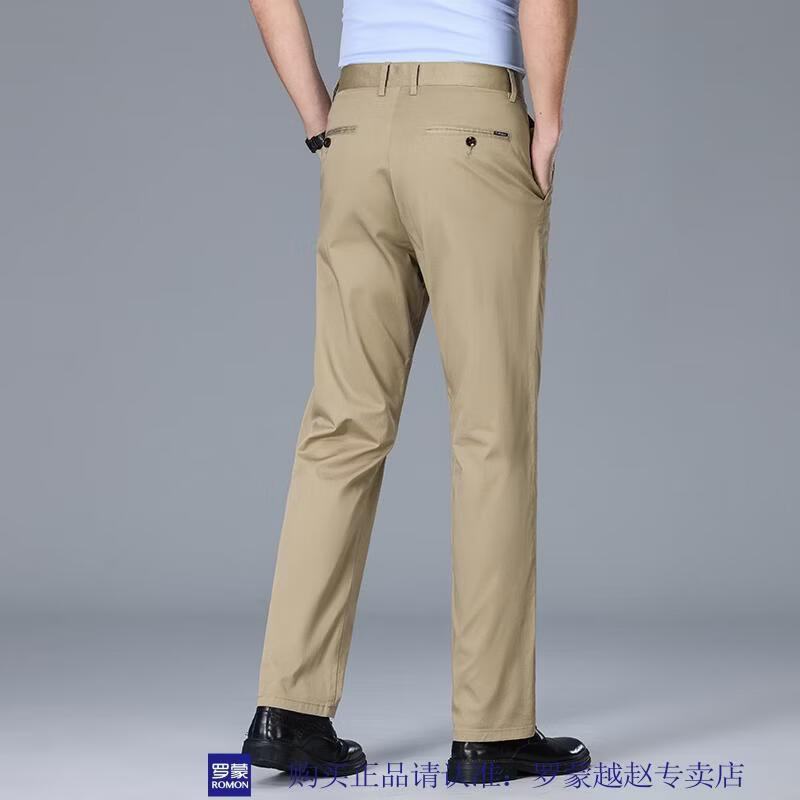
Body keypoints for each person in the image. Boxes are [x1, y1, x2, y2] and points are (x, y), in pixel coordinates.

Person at [241, 0, 590, 784]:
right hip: (473, 121)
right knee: (492, 433)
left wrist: (320, 116)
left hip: (357, 123)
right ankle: (492, 730)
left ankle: (289, 710)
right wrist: (549, 117)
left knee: (342, 426)